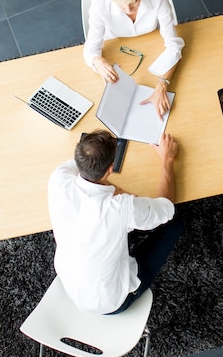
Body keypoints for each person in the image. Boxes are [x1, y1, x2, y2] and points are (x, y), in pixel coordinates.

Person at [48, 129, 183, 315]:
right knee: (175, 221)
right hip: (110, 300)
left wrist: (117, 193)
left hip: (72, 282)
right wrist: (167, 159)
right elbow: (167, 207)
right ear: (111, 168)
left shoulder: (59, 178)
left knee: (125, 222)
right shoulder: (120, 208)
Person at [83, 0, 185, 119]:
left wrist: (162, 84)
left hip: (148, 44)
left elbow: (174, 46)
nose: (128, 10)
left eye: (134, 1)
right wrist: (97, 60)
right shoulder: (99, 3)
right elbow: (90, 49)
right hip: (116, 46)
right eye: (121, 5)